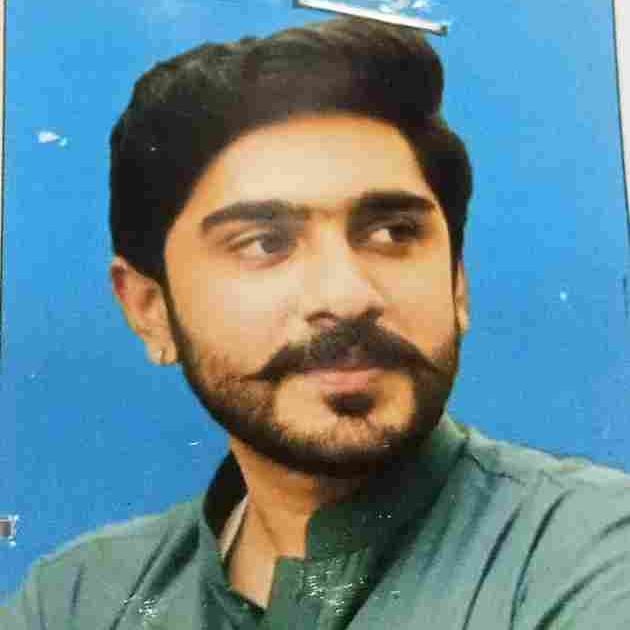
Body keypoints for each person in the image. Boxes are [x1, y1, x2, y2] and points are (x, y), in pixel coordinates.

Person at [2, 17, 630, 629]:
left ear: (456, 282)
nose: (348, 296)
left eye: (393, 232)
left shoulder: (592, 557)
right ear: (150, 309)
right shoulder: (74, 600)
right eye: (264, 243)